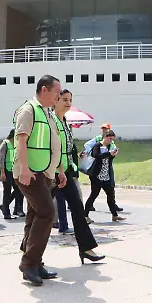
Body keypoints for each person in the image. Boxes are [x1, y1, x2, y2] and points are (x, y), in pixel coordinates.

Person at [13, 75, 67, 287]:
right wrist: (24, 169)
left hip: (45, 173)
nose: (58, 96)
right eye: (56, 92)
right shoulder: (29, 110)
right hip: (30, 173)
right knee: (47, 213)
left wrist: (59, 170)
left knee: (35, 215)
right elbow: (21, 140)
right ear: (44, 90)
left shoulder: (47, 113)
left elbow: (54, 144)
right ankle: (28, 263)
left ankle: (36, 262)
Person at [52, 89, 104, 263]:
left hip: (65, 172)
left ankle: (86, 249)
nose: (68, 103)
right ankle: (28, 250)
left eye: (70, 100)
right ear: (55, 100)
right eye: (64, 99)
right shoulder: (51, 120)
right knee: (41, 213)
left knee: (77, 209)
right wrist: (57, 170)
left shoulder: (64, 121)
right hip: (52, 172)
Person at [85, 131, 125, 221]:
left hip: (106, 174)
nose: (111, 141)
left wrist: (112, 155)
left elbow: (108, 159)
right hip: (97, 174)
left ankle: (114, 215)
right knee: (94, 194)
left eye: (112, 139)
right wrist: (108, 154)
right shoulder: (97, 146)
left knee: (111, 194)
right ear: (105, 137)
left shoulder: (108, 146)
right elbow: (96, 155)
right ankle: (85, 215)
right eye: (110, 139)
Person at [0, 129, 23, 218]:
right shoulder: (5, 144)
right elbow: (1, 159)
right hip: (6, 171)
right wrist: (2, 172)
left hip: (13, 170)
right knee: (7, 191)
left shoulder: (16, 144)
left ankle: (4, 206)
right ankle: (6, 213)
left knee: (18, 189)